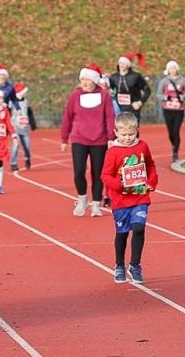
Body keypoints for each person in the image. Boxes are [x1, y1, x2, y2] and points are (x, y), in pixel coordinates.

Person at [100, 111, 158, 284]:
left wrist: (152, 181)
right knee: (122, 234)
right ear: (116, 132)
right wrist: (119, 185)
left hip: (140, 197)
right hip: (121, 200)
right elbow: (105, 176)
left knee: (139, 228)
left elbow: (150, 165)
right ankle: (119, 265)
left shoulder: (142, 146)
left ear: (137, 131)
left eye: (131, 134)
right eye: (124, 134)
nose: (127, 138)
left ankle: (135, 265)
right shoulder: (113, 152)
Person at [60, 64, 115, 216]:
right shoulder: (75, 96)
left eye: (87, 79)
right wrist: (64, 138)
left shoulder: (104, 96)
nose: (84, 82)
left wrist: (111, 137)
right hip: (79, 138)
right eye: (82, 79)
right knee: (79, 171)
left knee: (98, 173)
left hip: (100, 140)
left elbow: (110, 117)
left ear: (94, 81)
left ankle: (96, 204)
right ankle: (82, 198)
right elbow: (68, 117)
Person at [155, 59, 185, 164]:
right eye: (170, 68)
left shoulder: (183, 80)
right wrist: (166, 97)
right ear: (168, 70)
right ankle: (173, 143)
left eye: (174, 68)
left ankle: (175, 152)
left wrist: (182, 97)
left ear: (177, 69)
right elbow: (158, 94)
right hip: (168, 109)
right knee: (170, 132)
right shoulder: (164, 81)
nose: (173, 70)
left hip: (179, 109)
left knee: (176, 130)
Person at [108, 54, 150, 123]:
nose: (121, 65)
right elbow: (110, 90)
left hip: (133, 107)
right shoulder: (113, 77)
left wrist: (140, 102)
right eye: (120, 63)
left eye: (124, 63)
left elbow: (147, 90)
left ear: (128, 65)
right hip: (118, 107)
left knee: (133, 129)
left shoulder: (136, 76)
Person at [9, 82, 35, 171]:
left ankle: (27, 158)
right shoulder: (11, 102)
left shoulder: (26, 101)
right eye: (24, 91)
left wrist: (32, 123)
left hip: (24, 127)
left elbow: (29, 112)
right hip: (15, 126)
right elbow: (8, 113)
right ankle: (13, 163)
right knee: (16, 144)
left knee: (27, 146)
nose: (26, 93)